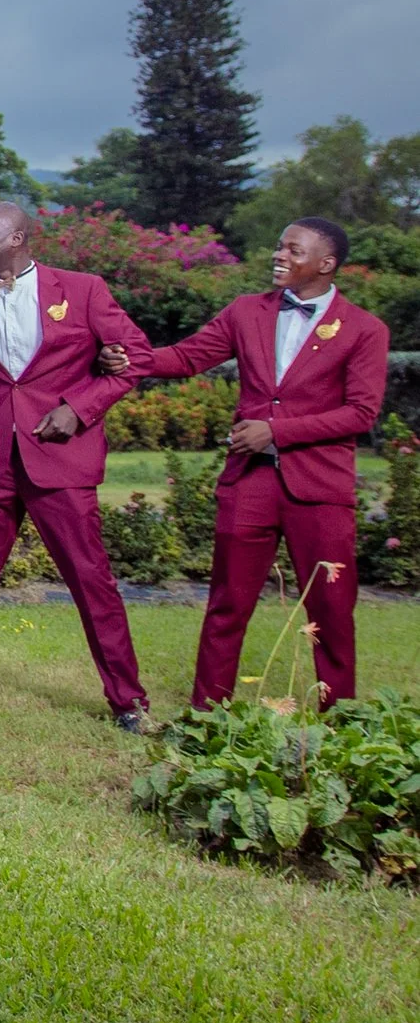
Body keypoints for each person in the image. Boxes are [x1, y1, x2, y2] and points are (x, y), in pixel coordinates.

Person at [127, 217, 386, 710]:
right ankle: (207, 716)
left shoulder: (364, 329)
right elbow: (186, 357)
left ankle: (341, 719)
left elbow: (360, 413)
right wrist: (127, 358)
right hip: (250, 483)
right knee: (228, 603)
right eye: (279, 246)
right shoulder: (246, 311)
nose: (279, 255)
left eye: (293, 250)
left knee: (331, 609)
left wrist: (276, 431)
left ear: (326, 264)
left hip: (321, 488)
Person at [0, 202, 154, 729]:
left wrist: (79, 409)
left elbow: (135, 356)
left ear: (17, 238)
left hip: (60, 459)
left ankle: (128, 702)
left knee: (90, 578)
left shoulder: (83, 290)